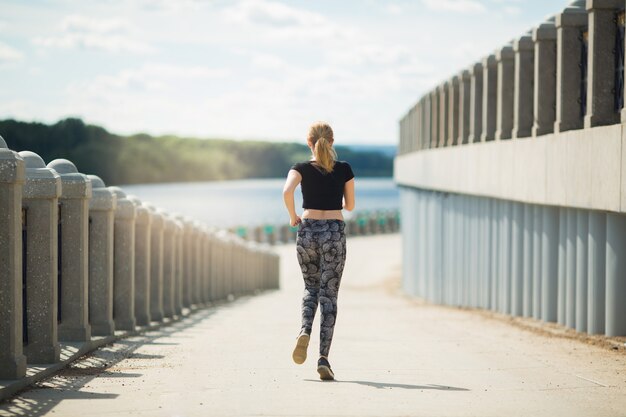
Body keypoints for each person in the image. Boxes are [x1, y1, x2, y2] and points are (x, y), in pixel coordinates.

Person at [282, 121, 355, 381]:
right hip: (334, 232)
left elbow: (287, 191)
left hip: (308, 231)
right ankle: (323, 358)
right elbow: (351, 205)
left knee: (310, 288)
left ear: (308, 143)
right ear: (332, 142)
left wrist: (293, 217)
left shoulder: (300, 168)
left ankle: (304, 330)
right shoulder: (344, 169)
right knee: (329, 296)